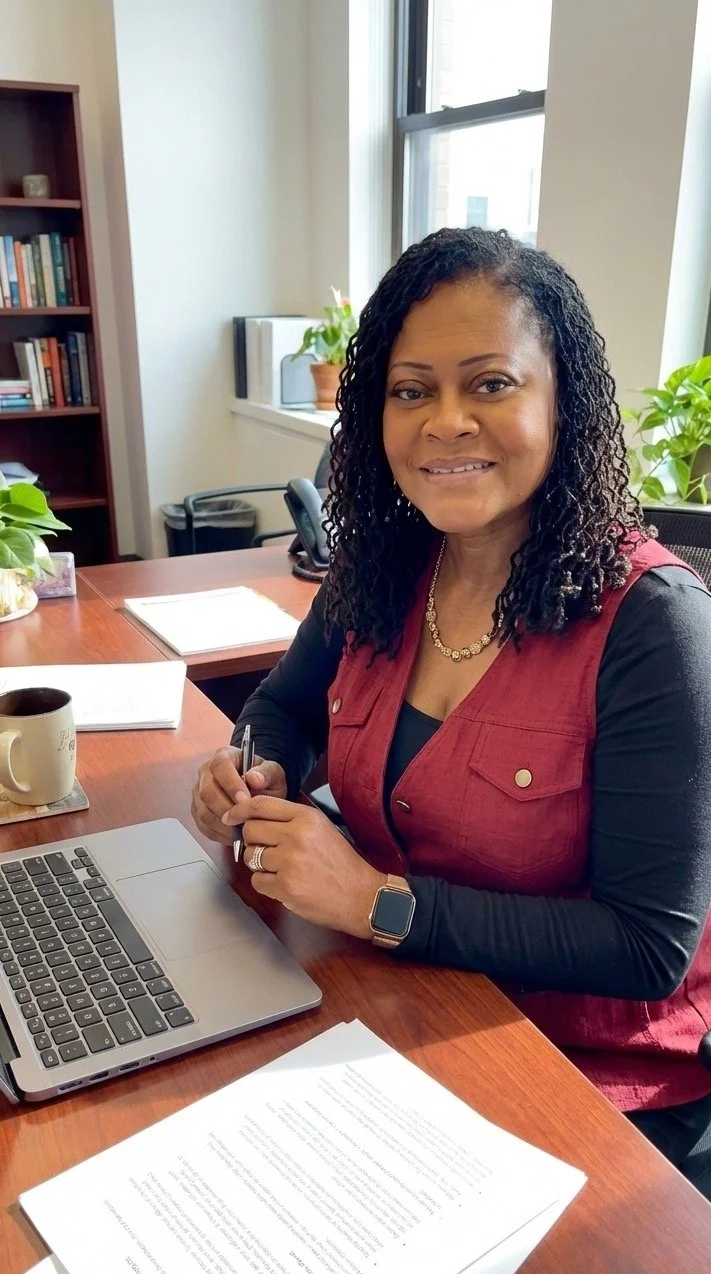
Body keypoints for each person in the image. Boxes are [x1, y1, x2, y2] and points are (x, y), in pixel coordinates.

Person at [192, 227, 711, 1195]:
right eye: (411, 389)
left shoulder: (655, 625)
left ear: (566, 403)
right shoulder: (383, 570)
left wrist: (373, 902)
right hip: (398, 1003)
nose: (446, 421)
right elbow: (284, 704)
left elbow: (648, 947)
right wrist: (251, 766)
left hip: (584, 1071)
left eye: (491, 383)